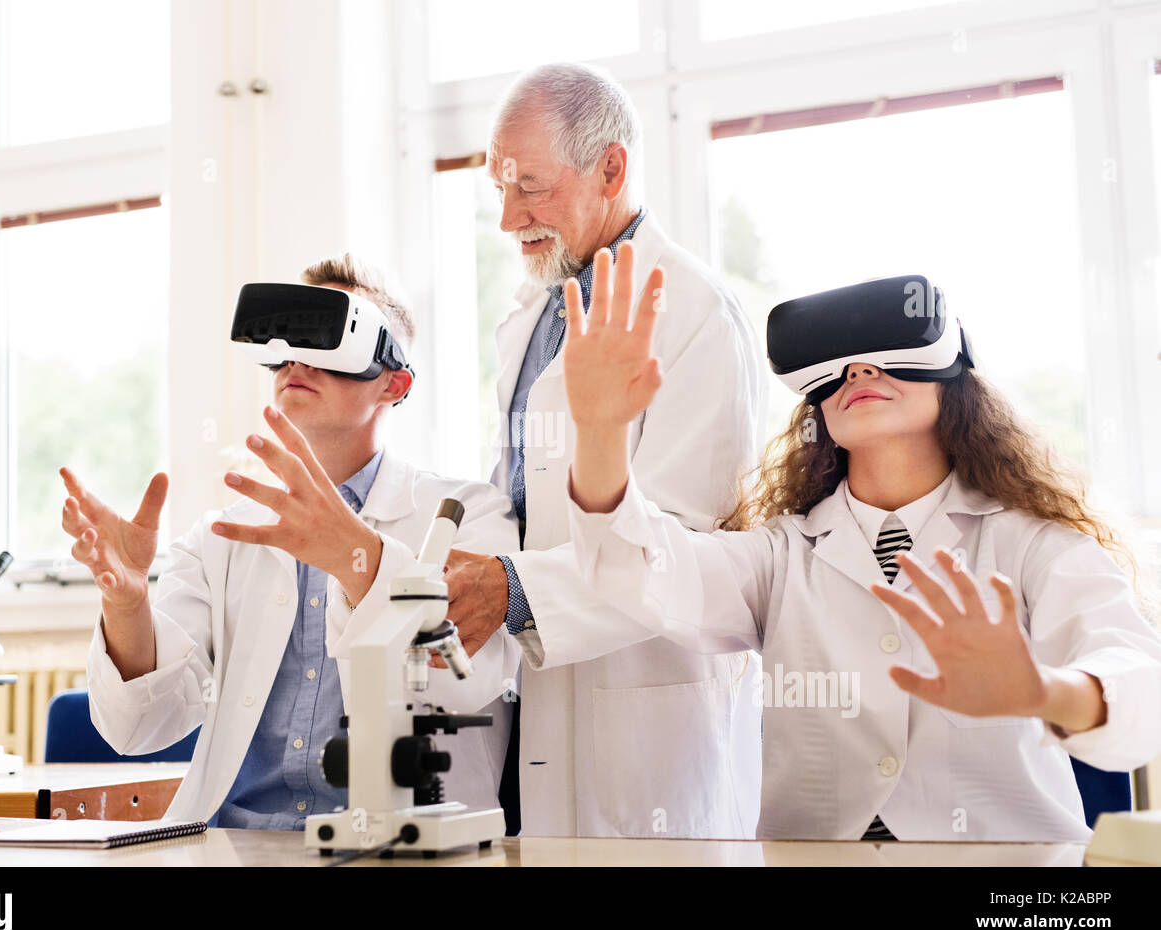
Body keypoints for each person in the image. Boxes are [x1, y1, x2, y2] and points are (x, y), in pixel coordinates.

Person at [558, 264, 1161, 841]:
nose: (858, 372)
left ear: (954, 378)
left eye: (884, 356)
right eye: (840, 367)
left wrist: (1043, 692)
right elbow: (638, 570)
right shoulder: (782, 557)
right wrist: (600, 433)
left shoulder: (1035, 546)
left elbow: (1140, 687)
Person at [64, 253, 520, 827]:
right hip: (229, 845)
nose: (297, 361)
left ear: (393, 383)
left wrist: (358, 560)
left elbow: (464, 685)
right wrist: (127, 605)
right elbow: (137, 729)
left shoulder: (469, 513)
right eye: (290, 342)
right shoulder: (221, 537)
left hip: (394, 848)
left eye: (327, 341)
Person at [440, 62, 767, 838]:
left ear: (611, 168)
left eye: (531, 188)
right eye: (500, 190)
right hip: (534, 714)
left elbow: (681, 548)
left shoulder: (694, 314)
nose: (507, 219)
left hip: (649, 736)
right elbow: (515, 500)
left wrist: (514, 591)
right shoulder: (528, 320)